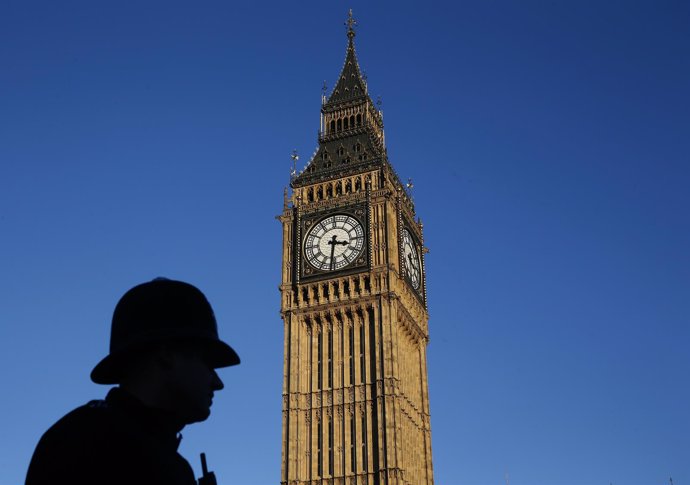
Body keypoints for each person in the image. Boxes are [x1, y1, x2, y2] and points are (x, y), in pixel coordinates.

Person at [26, 277, 240, 485]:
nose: (217, 382)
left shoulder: (88, 436)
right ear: (167, 353)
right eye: (207, 362)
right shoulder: (87, 443)